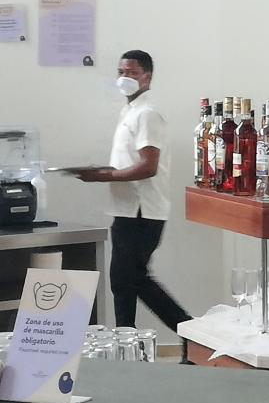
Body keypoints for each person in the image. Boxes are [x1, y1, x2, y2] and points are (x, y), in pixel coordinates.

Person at [76, 50, 192, 345]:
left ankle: (193, 334)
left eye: (131, 73)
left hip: (142, 211)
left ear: (147, 77)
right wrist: (103, 173)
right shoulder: (130, 111)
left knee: (132, 279)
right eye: (121, 72)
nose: (124, 78)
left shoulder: (147, 114)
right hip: (127, 209)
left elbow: (148, 166)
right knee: (123, 282)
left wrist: (103, 176)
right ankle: (126, 344)